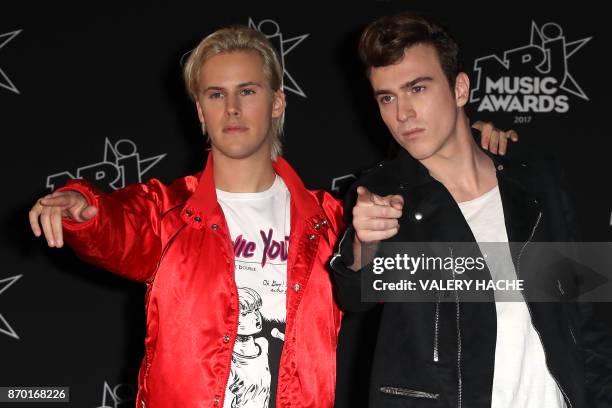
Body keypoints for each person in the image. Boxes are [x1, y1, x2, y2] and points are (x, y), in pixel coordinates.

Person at [28, 24, 515, 408]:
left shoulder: (332, 220)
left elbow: (420, 274)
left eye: (248, 91)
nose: (232, 108)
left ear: (278, 102)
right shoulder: (167, 211)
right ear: (199, 110)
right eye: (215, 95)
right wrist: (81, 207)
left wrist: (467, 140)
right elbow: (111, 225)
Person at [331, 12, 608, 408]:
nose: (402, 113)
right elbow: (354, 294)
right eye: (387, 98)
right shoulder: (382, 194)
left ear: (459, 89)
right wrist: (363, 243)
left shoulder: (535, 178)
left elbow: (584, 315)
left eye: (418, 89)